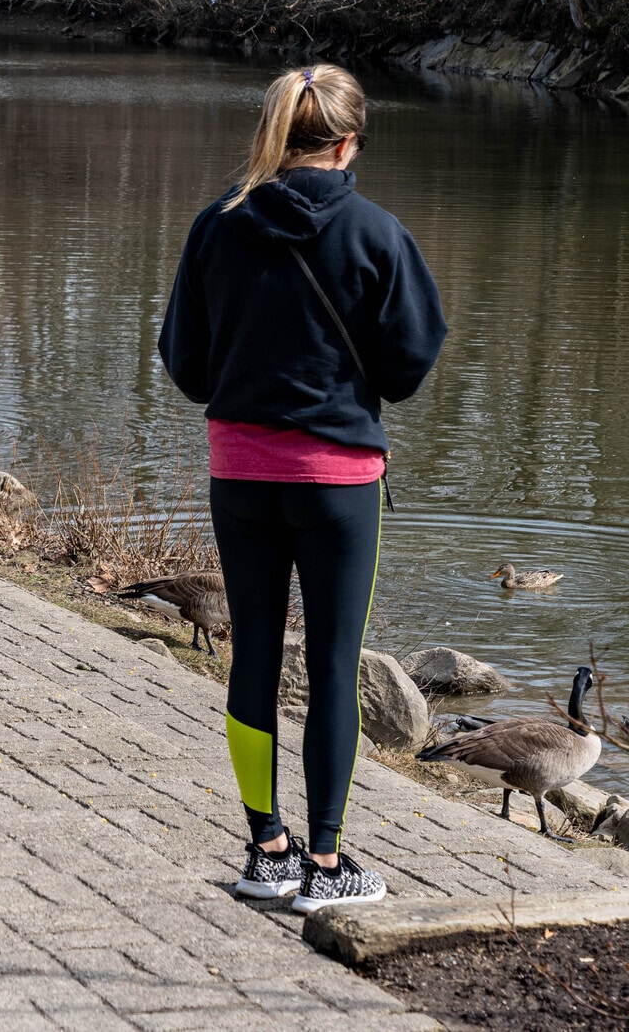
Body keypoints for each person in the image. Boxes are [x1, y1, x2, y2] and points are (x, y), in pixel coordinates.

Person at [158, 63, 447, 914]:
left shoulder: (217, 226)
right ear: (350, 143)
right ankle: (326, 864)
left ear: (279, 135)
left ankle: (267, 850)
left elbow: (186, 362)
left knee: (251, 652)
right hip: (337, 484)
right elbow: (407, 365)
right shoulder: (378, 233)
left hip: (240, 473)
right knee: (330, 667)